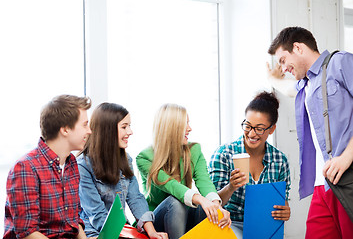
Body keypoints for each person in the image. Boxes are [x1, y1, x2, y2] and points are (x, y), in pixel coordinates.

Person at [268, 26, 353, 238]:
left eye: (282, 60)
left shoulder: (340, 63)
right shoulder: (304, 86)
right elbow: (287, 88)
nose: (283, 67)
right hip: (322, 186)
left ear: (297, 47)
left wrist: (346, 157)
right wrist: (271, 78)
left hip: (347, 177)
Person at [136, 103, 231, 239]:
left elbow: (205, 181)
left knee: (208, 209)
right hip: (157, 221)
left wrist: (216, 206)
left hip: (184, 218)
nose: (189, 128)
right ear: (171, 128)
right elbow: (171, 186)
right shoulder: (145, 158)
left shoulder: (194, 150)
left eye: (188, 123)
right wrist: (201, 199)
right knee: (176, 202)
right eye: (184, 124)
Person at [4, 94, 93, 239]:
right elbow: (27, 233)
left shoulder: (71, 163)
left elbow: (74, 221)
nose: (89, 131)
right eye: (84, 125)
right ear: (65, 130)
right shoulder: (26, 167)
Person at [76, 103, 168, 239]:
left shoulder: (126, 159)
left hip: (123, 230)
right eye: (124, 127)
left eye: (129, 126)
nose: (130, 132)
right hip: (96, 233)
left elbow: (136, 198)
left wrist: (152, 232)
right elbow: (98, 215)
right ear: (107, 130)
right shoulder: (83, 166)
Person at [208, 91, 291, 239]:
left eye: (259, 128)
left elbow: (281, 199)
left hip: (264, 227)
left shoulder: (280, 160)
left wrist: (285, 211)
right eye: (247, 126)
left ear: (271, 129)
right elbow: (210, 203)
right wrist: (231, 187)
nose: (251, 134)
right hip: (229, 223)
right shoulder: (224, 154)